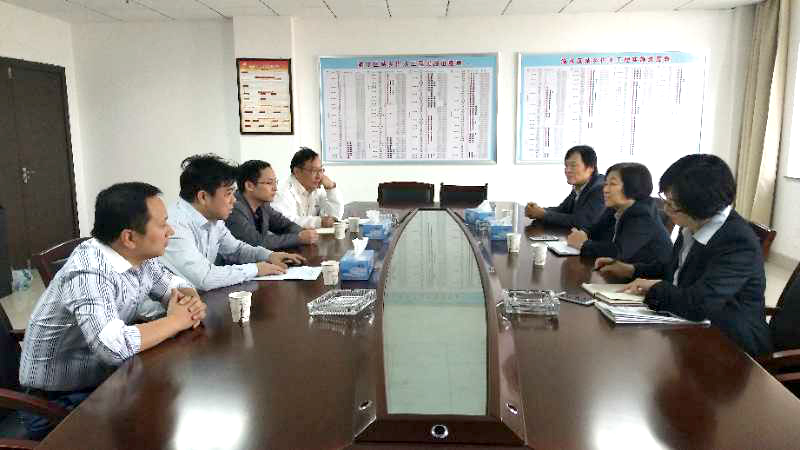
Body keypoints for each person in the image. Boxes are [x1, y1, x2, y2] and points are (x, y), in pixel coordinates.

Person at [18, 182, 207, 439]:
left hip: (106, 381)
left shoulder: (139, 257)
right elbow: (112, 346)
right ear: (129, 237)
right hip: (58, 404)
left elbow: (175, 285)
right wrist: (176, 321)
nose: (170, 231)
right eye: (163, 225)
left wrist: (189, 302)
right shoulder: (89, 270)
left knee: (176, 405)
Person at [595, 154, 771, 356]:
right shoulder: (693, 222)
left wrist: (655, 287)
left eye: (672, 204)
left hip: (730, 344)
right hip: (689, 324)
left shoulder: (738, 242)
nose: (666, 209)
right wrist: (631, 269)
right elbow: (675, 268)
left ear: (699, 206)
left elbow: (699, 304)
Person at [160, 154, 305, 291]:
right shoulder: (174, 225)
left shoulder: (213, 219)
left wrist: (269, 256)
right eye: (228, 193)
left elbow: (236, 250)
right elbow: (205, 278)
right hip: (166, 306)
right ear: (203, 197)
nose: (234, 200)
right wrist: (255, 269)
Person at [566, 162, 671, 265]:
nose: (605, 190)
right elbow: (594, 230)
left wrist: (583, 244)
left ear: (632, 186)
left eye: (612, 184)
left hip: (648, 274)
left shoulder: (642, 215)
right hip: (621, 269)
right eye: (605, 184)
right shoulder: (615, 207)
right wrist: (583, 234)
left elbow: (618, 252)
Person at [226, 160, 319, 249]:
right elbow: (256, 242)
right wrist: (298, 238)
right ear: (250, 186)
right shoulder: (233, 207)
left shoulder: (263, 206)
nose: (275, 188)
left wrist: (304, 232)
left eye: (275, 182)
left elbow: (284, 225)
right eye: (269, 183)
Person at [525, 145, 605, 230]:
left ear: (590, 168)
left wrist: (543, 214)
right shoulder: (580, 185)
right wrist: (536, 210)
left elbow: (581, 222)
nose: (567, 170)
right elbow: (562, 209)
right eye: (566, 166)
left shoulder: (600, 189)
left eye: (573, 166)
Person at [272, 147, 344, 229]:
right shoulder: (282, 190)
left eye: (321, 170)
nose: (319, 176)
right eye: (314, 171)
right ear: (297, 171)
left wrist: (331, 188)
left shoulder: (317, 189)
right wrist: (319, 222)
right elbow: (285, 222)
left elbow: (334, 217)